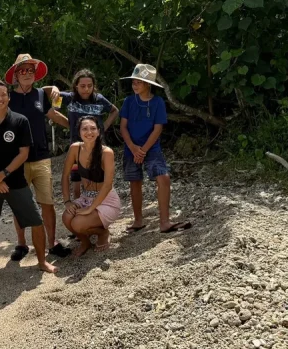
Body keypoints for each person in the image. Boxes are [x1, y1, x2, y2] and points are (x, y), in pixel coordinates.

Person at [0, 80, 58, 285]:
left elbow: (23, 153)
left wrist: (3, 174)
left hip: (15, 180)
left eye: (3, 94)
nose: (0, 98)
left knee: (36, 222)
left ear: (8, 97)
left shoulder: (20, 121)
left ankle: (41, 261)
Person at [4, 54, 71, 259]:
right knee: (20, 204)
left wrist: (76, 127)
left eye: (30, 70)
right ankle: (21, 243)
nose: (27, 74)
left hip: (41, 157)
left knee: (47, 202)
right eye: (22, 70)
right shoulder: (7, 97)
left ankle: (52, 243)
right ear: (16, 75)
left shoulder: (41, 95)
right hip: (17, 159)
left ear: (35, 74)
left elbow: (53, 115)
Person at [119, 64, 192, 233]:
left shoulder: (158, 102)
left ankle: (165, 222)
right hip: (131, 147)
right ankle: (138, 220)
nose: (135, 85)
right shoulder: (129, 101)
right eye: (133, 82)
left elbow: (158, 128)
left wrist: (142, 150)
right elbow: (123, 127)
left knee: (163, 178)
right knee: (135, 181)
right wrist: (133, 147)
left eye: (139, 82)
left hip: (151, 147)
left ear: (148, 84)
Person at [61, 116, 122, 256]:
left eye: (93, 128)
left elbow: (107, 185)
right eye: (85, 129)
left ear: (99, 131)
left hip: (106, 200)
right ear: (79, 132)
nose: (89, 132)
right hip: (86, 197)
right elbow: (64, 176)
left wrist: (90, 208)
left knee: (77, 223)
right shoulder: (75, 149)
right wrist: (67, 201)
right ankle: (85, 242)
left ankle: (102, 232)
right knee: (67, 217)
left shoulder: (106, 152)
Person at [55, 69, 119, 200]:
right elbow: (52, 108)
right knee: (77, 183)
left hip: (97, 147)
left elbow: (115, 111)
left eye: (90, 86)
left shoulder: (99, 99)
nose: (86, 89)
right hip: (76, 148)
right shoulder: (69, 98)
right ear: (76, 86)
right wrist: (70, 124)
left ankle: (99, 209)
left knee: (98, 180)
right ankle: (79, 208)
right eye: (83, 86)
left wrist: (104, 126)